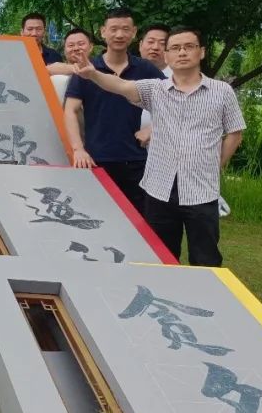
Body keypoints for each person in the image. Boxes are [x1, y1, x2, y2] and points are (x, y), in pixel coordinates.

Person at [69, 26, 244, 265]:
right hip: (159, 189)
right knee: (161, 256)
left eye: (189, 47)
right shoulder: (156, 89)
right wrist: (93, 74)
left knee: (206, 258)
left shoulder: (222, 92)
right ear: (167, 55)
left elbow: (235, 133)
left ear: (201, 52)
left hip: (201, 190)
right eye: (175, 48)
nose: (182, 52)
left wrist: (216, 165)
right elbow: (120, 85)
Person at [64, 8, 165, 209]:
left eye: (125, 29)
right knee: (97, 215)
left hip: (135, 160)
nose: (119, 35)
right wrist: (78, 149)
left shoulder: (145, 69)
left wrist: (153, 129)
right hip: (95, 159)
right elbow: (70, 110)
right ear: (103, 32)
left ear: (134, 33)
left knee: (138, 219)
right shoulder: (87, 69)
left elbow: (176, 103)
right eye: (114, 29)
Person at [47, 27, 94, 102]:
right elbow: (45, 70)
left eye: (81, 44)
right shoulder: (56, 67)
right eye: (71, 45)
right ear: (64, 49)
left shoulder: (100, 69)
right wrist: (79, 68)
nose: (76, 48)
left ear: (91, 47)